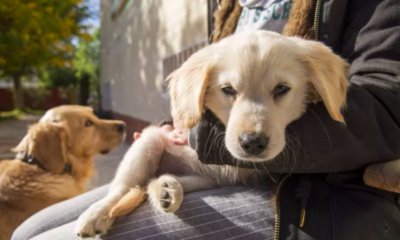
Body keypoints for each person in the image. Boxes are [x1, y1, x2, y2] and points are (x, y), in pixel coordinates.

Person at [12, 0, 400, 239]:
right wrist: (176, 122)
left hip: (315, 196)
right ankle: (126, 192)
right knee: (26, 230)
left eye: (282, 90)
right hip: (202, 165)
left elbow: (386, 107)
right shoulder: (233, 6)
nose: (253, 129)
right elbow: (198, 92)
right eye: (231, 92)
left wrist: (201, 136)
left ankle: (165, 186)